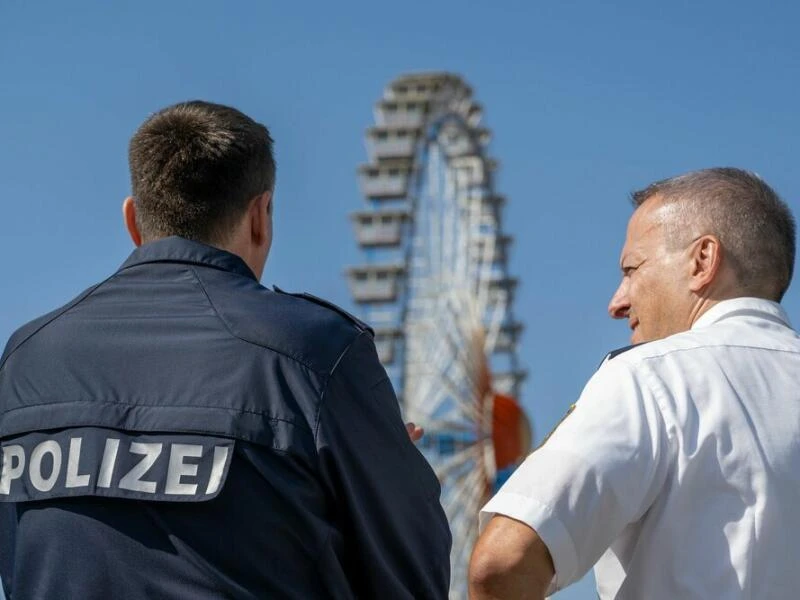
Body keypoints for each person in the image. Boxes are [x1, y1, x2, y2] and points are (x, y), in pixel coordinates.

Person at [0, 100, 451, 599]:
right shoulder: (316, 353)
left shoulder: (25, 362)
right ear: (260, 215)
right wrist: (395, 484)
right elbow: (410, 580)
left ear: (133, 221)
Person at [469, 167, 799, 599]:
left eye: (632, 269)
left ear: (702, 261)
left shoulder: (654, 378)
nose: (617, 303)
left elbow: (503, 563)